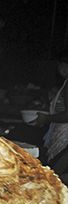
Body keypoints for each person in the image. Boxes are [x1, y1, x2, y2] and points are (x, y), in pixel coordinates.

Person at [34, 50, 68, 182]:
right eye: (61, 65)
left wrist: (47, 118)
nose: (63, 69)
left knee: (53, 176)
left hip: (64, 137)